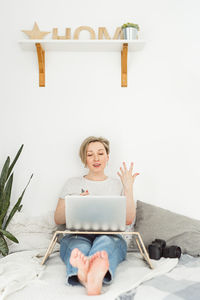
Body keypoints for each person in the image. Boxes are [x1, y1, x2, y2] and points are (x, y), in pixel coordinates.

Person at [54, 136, 139, 295]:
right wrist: (75, 201)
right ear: (84, 159)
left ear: (107, 157)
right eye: (90, 154)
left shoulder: (116, 184)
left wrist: (128, 188)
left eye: (100, 153)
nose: (96, 158)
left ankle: (89, 274)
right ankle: (90, 277)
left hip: (110, 235)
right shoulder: (72, 183)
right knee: (79, 248)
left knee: (105, 244)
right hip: (76, 235)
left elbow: (128, 220)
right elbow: (57, 219)